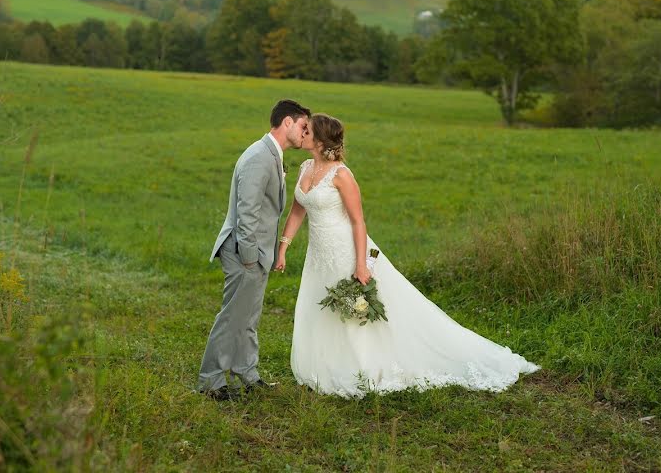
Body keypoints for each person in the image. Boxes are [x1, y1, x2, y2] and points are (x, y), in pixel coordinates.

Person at [275, 113, 539, 398]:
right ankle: (326, 364)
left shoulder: (341, 175)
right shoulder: (305, 167)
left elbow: (358, 221)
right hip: (318, 255)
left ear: (320, 140)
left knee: (355, 312)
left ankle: (362, 366)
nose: (302, 133)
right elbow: (298, 209)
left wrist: (362, 264)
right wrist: (284, 247)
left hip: (346, 251)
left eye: (308, 130)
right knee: (322, 309)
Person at [198, 99, 311, 400]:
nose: (305, 133)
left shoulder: (272, 155)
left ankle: (247, 374)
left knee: (249, 318)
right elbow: (246, 212)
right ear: (287, 122)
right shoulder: (259, 157)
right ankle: (211, 382)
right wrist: (250, 258)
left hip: (258, 254)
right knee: (232, 317)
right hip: (244, 253)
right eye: (303, 126)